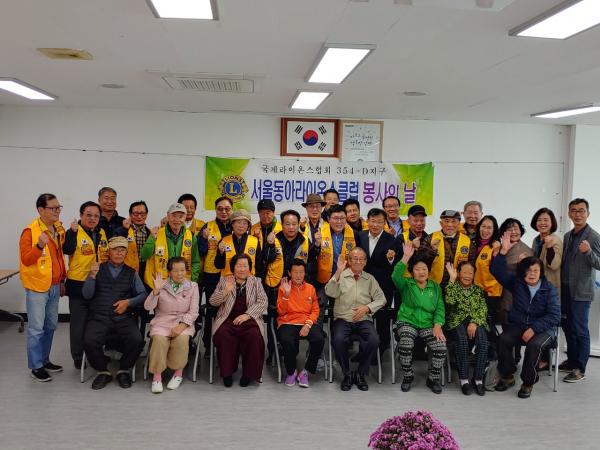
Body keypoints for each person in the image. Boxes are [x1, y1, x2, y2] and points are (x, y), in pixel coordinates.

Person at [491, 234, 560, 398]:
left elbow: (554, 316)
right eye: (528, 270)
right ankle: (507, 376)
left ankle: (528, 382)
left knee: (534, 345)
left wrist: (534, 328)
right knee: (503, 340)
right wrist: (503, 252)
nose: (532, 273)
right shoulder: (517, 283)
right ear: (522, 272)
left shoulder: (549, 289)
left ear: (541, 272)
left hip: (544, 329)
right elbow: (497, 271)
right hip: (520, 324)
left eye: (536, 270)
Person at [82, 236, 147, 390]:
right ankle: (102, 371)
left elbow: (143, 295)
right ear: (109, 251)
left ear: (126, 253)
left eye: (122, 250)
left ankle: (123, 369)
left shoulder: (132, 273)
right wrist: (92, 276)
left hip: (122, 317)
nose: (119, 253)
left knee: (137, 340)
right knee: (89, 340)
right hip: (99, 317)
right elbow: (86, 295)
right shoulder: (97, 269)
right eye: (115, 250)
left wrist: (128, 302)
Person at [19, 193, 67, 382]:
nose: (57, 211)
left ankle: (45, 360)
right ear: (41, 210)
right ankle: (36, 366)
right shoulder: (30, 232)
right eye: (53, 208)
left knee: (50, 325)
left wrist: (62, 280)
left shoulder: (58, 228)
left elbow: (59, 257)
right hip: (37, 287)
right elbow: (26, 259)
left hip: (54, 286)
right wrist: (39, 246)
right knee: (36, 329)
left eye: (58, 207)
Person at [325, 248, 386, 391]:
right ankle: (347, 373)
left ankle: (360, 374)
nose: (358, 261)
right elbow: (330, 292)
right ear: (349, 261)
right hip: (343, 318)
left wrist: (367, 308)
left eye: (361, 259)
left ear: (365, 262)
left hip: (364, 319)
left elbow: (381, 299)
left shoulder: (370, 279)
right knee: (338, 339)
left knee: (374, 340)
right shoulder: (341, 275)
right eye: (355, 258)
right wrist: (338, 272)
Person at [391, 243, 447, 394]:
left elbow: (440, 308)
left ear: (428, 271)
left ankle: (433, 378)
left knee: (441, 347)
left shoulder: (435, 287)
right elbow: (395, 276)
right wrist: (405, 257)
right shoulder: (406, 284)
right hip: (407, 321)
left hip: (428, 324)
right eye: (417, 269)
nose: (421, 272)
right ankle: (408, 376)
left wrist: (438, 324)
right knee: (406, 343)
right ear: (412, 272)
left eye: (424, 269)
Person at [63, 201, 109, 369]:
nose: (92, 218)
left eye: (96, 216)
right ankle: (77, 356)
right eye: (88, 215)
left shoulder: (101, 232)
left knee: (97, 322)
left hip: (97, 283)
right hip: (78, 284)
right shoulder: (74, 231)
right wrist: (72, 232)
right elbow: (67, 249)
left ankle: (96, 353)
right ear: (81, 215)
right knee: (78, 323)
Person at [210, 254, 267, 387]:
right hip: (227, 319)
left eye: (245, 266)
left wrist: (247, 315)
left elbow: (263, 301)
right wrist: (225, 291)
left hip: (249, 320)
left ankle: (248, 374)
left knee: (254, 337)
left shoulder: (256, 281)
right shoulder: (224, 281)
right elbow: (212, 301)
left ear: (249, 268)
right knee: (223, 335)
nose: (242, 269)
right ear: (233, 267)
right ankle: (227, 373)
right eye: (239, 266)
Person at [144, 257, 199, 393]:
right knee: (159, 340)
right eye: (175, 270)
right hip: (162, 321)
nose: (180, 274)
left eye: (182, 270)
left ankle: (178, 374)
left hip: (183, 322)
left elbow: (193, 312)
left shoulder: (193, 286)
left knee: (181, 340)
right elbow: (148, 307)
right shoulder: (161, 285)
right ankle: (157, 377)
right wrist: (155, 292)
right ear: (169, 272)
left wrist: (181, 326)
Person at [560, 198, 600, 382]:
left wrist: (588, 252)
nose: (577, 214)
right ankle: (572, 361)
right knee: (567, 327)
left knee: (580, 330)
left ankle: (580, 369)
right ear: (569, 214)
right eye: (574, 211)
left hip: (581, 292)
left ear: (588, 214)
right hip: (565, 290)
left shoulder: (594, 237)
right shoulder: (568, 236)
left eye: (581, 210)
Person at [357, 208, 402, 358]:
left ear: (385, 223)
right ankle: (363, 351)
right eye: (373, 221)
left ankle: (379, 352)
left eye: (380, 222)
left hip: (383, 286)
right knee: (363, 318)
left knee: (382, 320)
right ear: (367, 221)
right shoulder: (360, 236)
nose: (375, 225)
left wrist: (391, 259)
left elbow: (398, 264)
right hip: (362, 285)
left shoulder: (393, 241)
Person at [276, 259, 324, 388]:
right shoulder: (283, 287)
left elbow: (315, 310)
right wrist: (286, 295)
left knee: (319, 339)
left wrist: (307, 325)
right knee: (286, 340)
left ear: (304, 273)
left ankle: (305, 372)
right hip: (288, 322)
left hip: (306, 321)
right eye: (295, 272)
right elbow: (280, 312)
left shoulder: (310, 288)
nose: (298, 275)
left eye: (301, 272)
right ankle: (291, 372)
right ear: (289, 273)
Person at [445, 261, 489, 396]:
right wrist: (451, 280)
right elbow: (449, 302)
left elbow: (483, 309)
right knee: (462, 341)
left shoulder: (478, 290)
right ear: (458, 273)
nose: (467, 276)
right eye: (464, 272)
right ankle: (464, 380)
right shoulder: (452, 287)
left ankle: (478, 379)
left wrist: (474, 322)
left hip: (476, 321)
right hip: (456, 321)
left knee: (483, 342)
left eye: (470, 273)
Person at [198, 196, 233, 352]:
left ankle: (229, 344)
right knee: (212, 310)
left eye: (227, 209)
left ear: (232, 209)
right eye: (220, 209)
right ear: (215, 210)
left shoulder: (238, 225)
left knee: (230, 310)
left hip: (232, 275)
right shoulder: (208, 227)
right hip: (212, 275)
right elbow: (200, 251)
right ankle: (209, 345)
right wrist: (203, 239)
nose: (224, 212)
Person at [251, 199, 283, 364]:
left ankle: (274, 351)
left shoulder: (281, 229)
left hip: (276, 280)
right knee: (254, 314)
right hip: (257, 278)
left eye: (268, 212)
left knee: (273, 316)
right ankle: (253, 350)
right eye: (262, 212)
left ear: (273, 212)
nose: (265, 215)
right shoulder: (253, 228)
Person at [141, 203, 200, 289]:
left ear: (185, 217)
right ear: (168, 216)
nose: (177, 220)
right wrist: (152, 239)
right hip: (160, 284)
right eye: (174, 216)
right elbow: (144, 256)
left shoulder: (191, 236)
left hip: (183, 284)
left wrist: (192, 280)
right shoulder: (156, 233)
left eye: (181, 216)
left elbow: (195, 261)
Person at [420, 210, 475, 289]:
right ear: (441, 223)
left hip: (459, 287)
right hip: (434, 285)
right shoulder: (430, 238)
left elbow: (472, 265)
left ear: (459, 223)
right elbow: (420, 261)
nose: (450, 225)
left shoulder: (467, 241)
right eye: (446, 221)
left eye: (453, 221)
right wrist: (431, 250)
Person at [497, 218, 533, 324]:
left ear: (521, 231)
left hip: (513, 294)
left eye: (516, 229)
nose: (513, 232)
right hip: (496, 292)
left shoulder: (527, 251)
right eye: (509, 229)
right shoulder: (499, 247)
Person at [473, 215, 503, 323]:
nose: (485, 230)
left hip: (490, 294)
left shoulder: (497, 247)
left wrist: (496, 252)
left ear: (494, 230)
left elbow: (499, 270)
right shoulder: (474, 244)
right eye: (483, 226)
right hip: (475, 292)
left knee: (486, 325)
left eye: (489, 227)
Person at [214, 210, 261, 276]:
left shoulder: (255, 241)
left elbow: (259, 266)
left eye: (244, 223)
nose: (241, 226)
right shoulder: (224, 241)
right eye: (238, 222)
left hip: (249, 279)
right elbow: (218, 265)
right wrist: (220, 253)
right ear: (232, 224)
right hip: (228, 279)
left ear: (248, 226)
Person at [531, 207, 562, 293]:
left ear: (552, 223)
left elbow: (555, 265)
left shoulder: (555, 240)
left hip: (549, 287)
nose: (542, 223)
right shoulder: (536, 240)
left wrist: (550, 247)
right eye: (539, 220)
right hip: (536, 285)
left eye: (546, 220)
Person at [115, 201, 151, 274]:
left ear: (146, 214)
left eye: (142, 214)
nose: (139, 217)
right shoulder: (121, 230)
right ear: (130, 215)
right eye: (136, 214)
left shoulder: (150, 233)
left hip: (145, 271)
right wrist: (124, 230)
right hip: (125, 271)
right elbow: (115, 249)